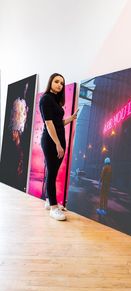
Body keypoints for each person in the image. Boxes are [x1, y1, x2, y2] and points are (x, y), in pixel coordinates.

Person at [39, 73, 78, 221]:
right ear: (50, 82)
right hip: (51, 142)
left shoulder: (55, 100)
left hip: (59, 141)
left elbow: (58, 123)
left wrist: (71, 118)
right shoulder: (46, 99)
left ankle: (50, 201)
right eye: (56, 82)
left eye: (62, 83)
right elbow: (49, 124)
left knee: (52, 173)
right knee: (52, 173)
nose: (59, 85)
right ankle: (53, 208)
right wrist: (57, 144)